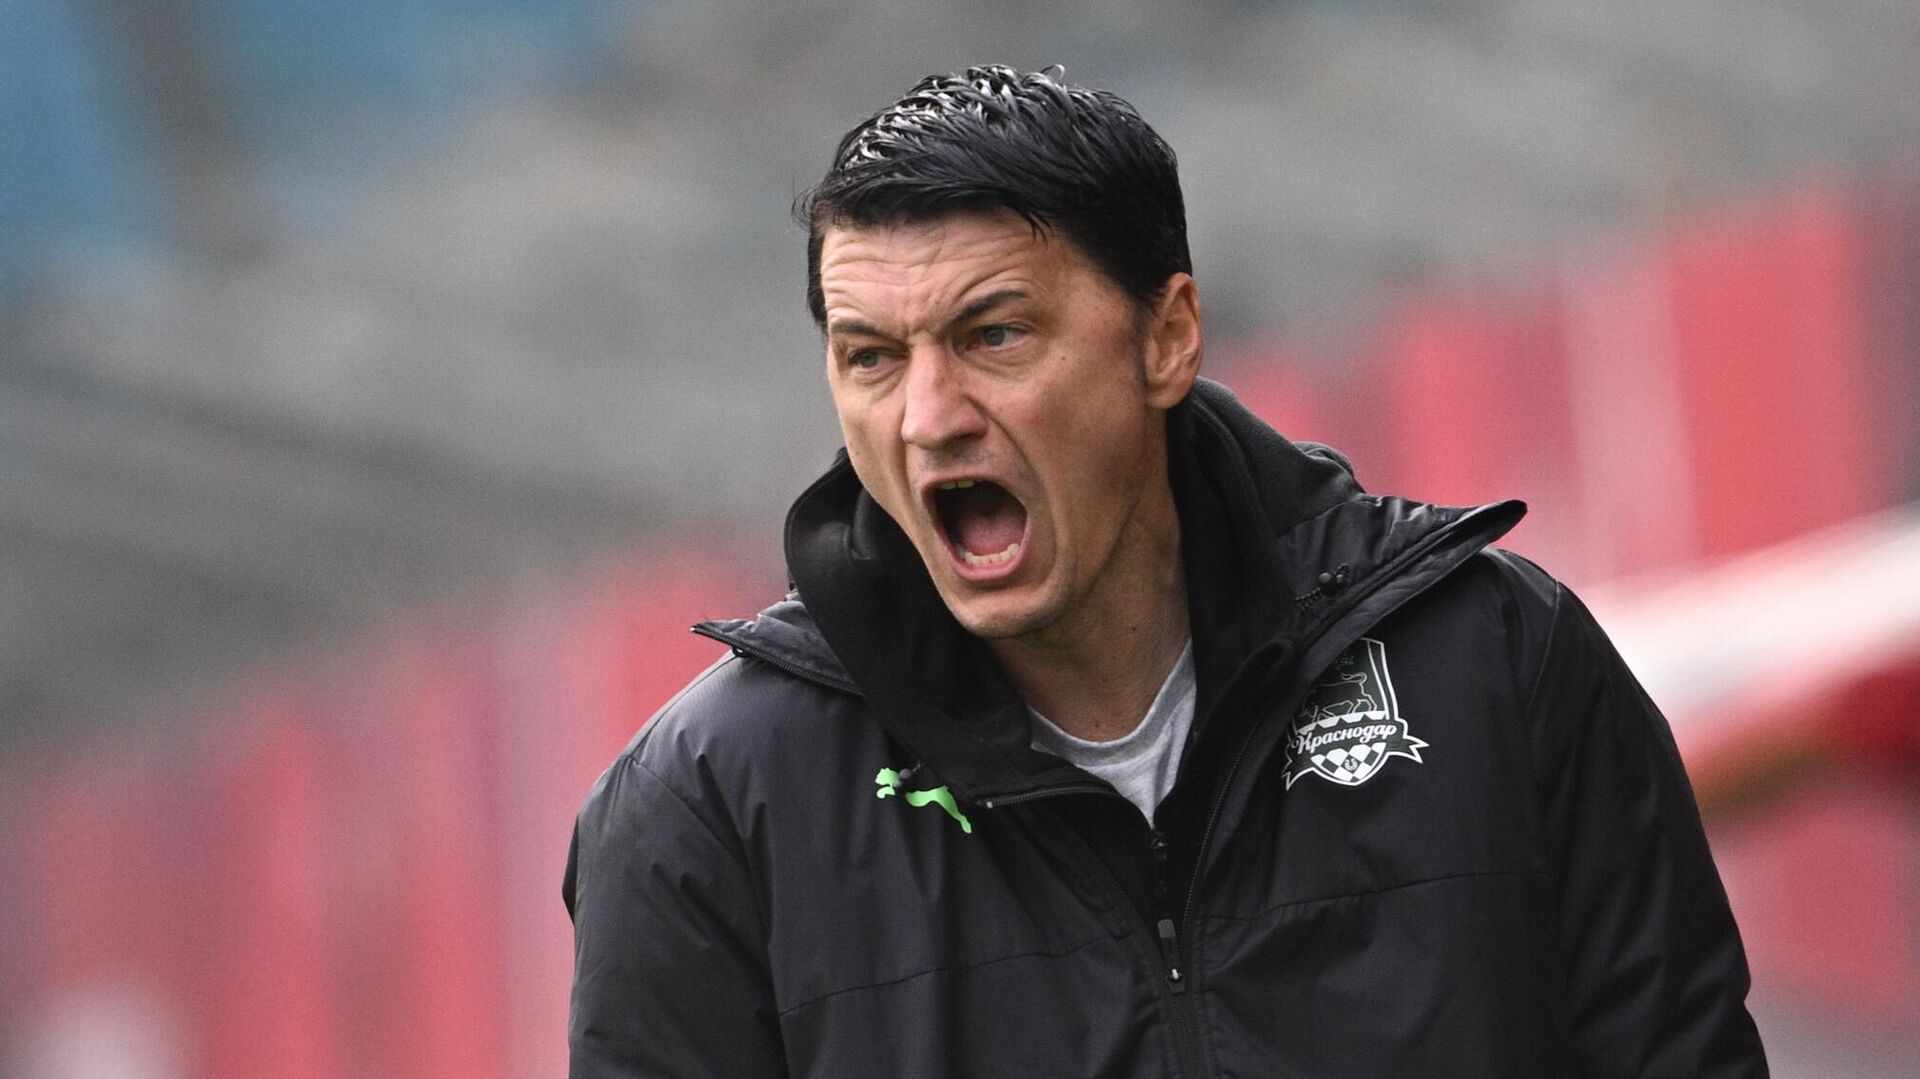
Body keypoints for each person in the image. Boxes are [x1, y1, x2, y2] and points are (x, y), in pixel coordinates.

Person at [564, 65, 1768, 1077]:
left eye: (994, 334)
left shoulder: (1497, 667)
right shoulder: (709, 811)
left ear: (1166, 336)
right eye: (871, 356)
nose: (929, 417)